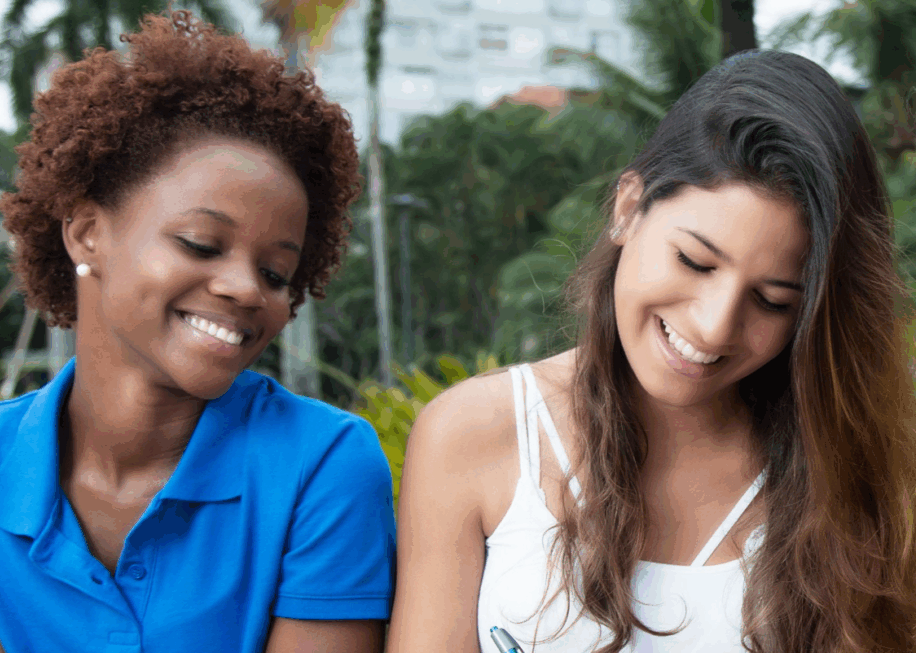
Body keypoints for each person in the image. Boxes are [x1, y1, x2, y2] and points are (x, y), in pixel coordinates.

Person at [0, 11, 395, 653]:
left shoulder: (321, 463)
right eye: (200, 243)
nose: (246, 288)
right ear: (86, 233)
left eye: (276, 272)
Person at [387, 49, 916, 653]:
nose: (715, 327)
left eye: (772, 301)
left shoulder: (846, 471)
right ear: (628, 208)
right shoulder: (474, 434)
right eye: (694, 261)